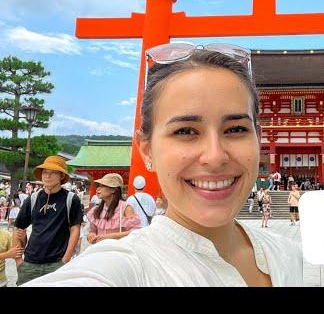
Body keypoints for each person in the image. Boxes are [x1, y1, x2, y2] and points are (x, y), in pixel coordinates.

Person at [24, 45, 302, 286]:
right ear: (147, 150)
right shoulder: (129, 268)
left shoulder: (286, 254)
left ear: (259, 138)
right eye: (185, 131)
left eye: (236, 129)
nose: (215, 156)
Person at [12, 155, 83, 285]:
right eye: (45, 172)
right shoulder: (32, 198)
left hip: (57, 262)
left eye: (53, 173)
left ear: (61, 176)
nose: (47, 176)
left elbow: (75, 229)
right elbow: (18, 228)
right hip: (29, 262)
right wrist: (18, 261)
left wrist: (65, 260)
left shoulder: (71, 199)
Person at [86, 173, 141, 244]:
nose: (98, 189)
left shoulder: (125, 208)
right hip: (101, 250)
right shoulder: (96, 210)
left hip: (118, 251)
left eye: (103, 186)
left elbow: (136, 232)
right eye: (99, 186)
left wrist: (111, 236)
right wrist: (91, 236)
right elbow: (92, 230)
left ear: (113, 190)